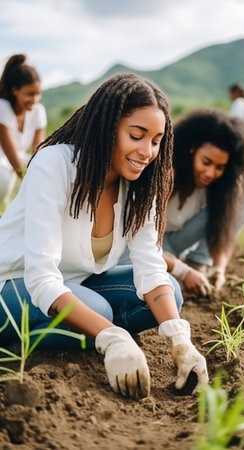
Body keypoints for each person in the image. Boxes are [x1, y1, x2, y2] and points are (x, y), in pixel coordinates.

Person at [0, 73, 208, 400]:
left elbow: (150, 268)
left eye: (156, 141)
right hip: (14, 284)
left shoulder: (141, 185)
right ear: (107, 127)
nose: (147, 151)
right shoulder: (55, 164)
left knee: (171, 296)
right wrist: (110, 335)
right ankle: (15, 345)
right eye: (136, 136)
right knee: (99, 311)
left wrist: (181, 340)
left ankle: (83, 330)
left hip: (78, 285)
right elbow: (41, 278)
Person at [162, 108, 244, 296]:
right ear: (192, 149)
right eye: (206, 162)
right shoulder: (167, 173)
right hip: (151, 243)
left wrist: (219, 268)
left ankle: (199, 262)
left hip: (179, 241)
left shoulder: (215, 185)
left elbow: (224, 227)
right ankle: (180, 266)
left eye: (220, 167)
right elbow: (140, 245)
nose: (210, 173)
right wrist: (180, 270)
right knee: (170, 287)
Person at [0, 54, 47, 207]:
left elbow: (38, 151)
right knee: (3, 178)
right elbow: (10, 155)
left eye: (37, 94)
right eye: (30, 94)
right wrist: (31, 185)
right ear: (15, 91)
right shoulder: (3, 107)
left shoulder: (38, 111)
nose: (35, 99)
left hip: (16, 158)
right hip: (4, 160)